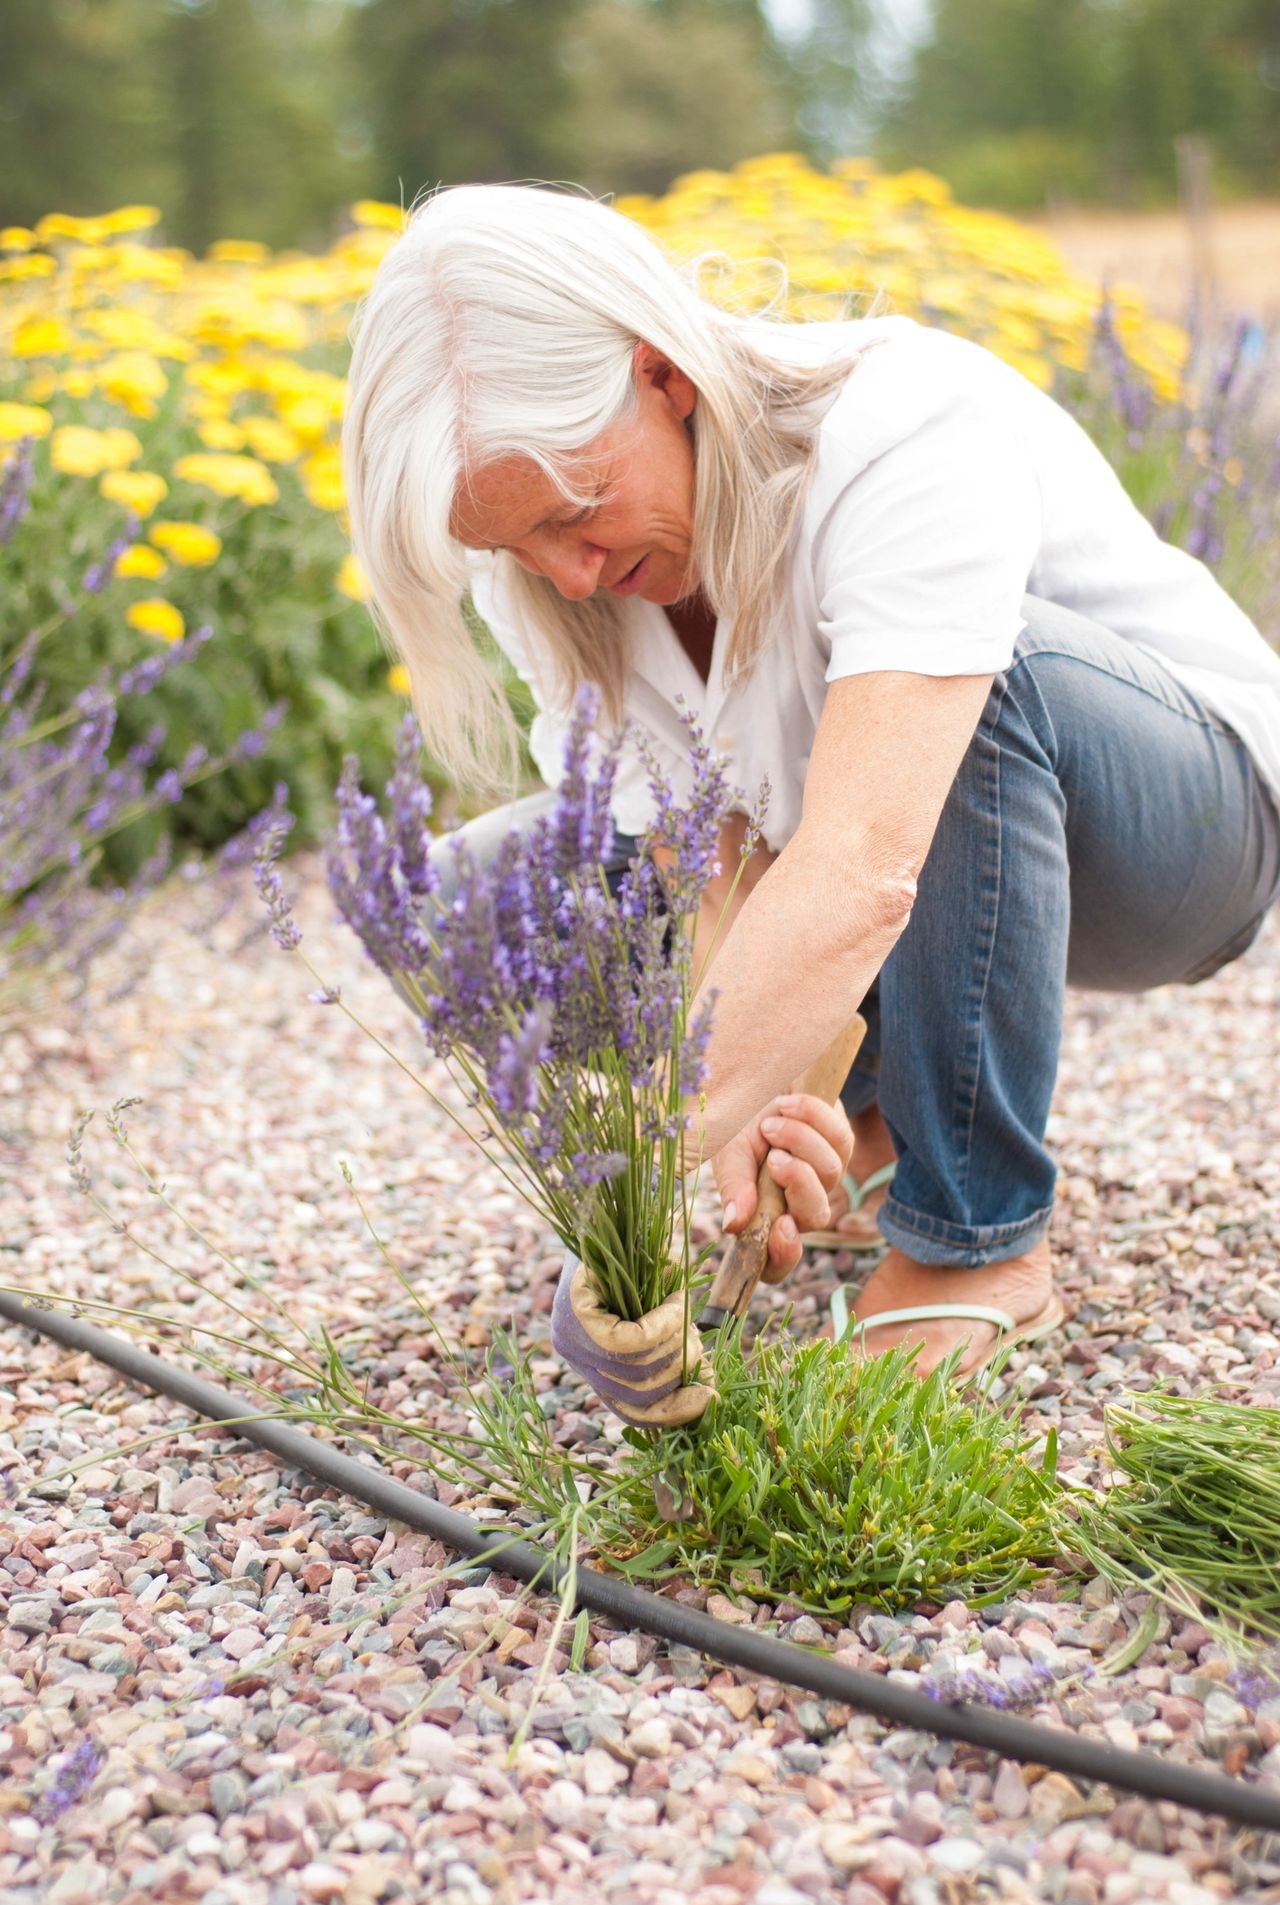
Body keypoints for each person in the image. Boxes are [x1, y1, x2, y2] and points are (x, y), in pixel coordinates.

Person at [341, 182, 1280, 1425]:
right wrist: (760, 1108)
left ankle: (975, 1237)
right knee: (462, 891)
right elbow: (706, 855)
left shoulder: (897, 427)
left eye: (574, 514)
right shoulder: (559, 572)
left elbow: (864, 855)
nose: (565, 570)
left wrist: (646, 1174)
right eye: (515, 544)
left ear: (663, 375)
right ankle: (879, 1114)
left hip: (1178, 842)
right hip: (905, 869)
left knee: (981, 682)